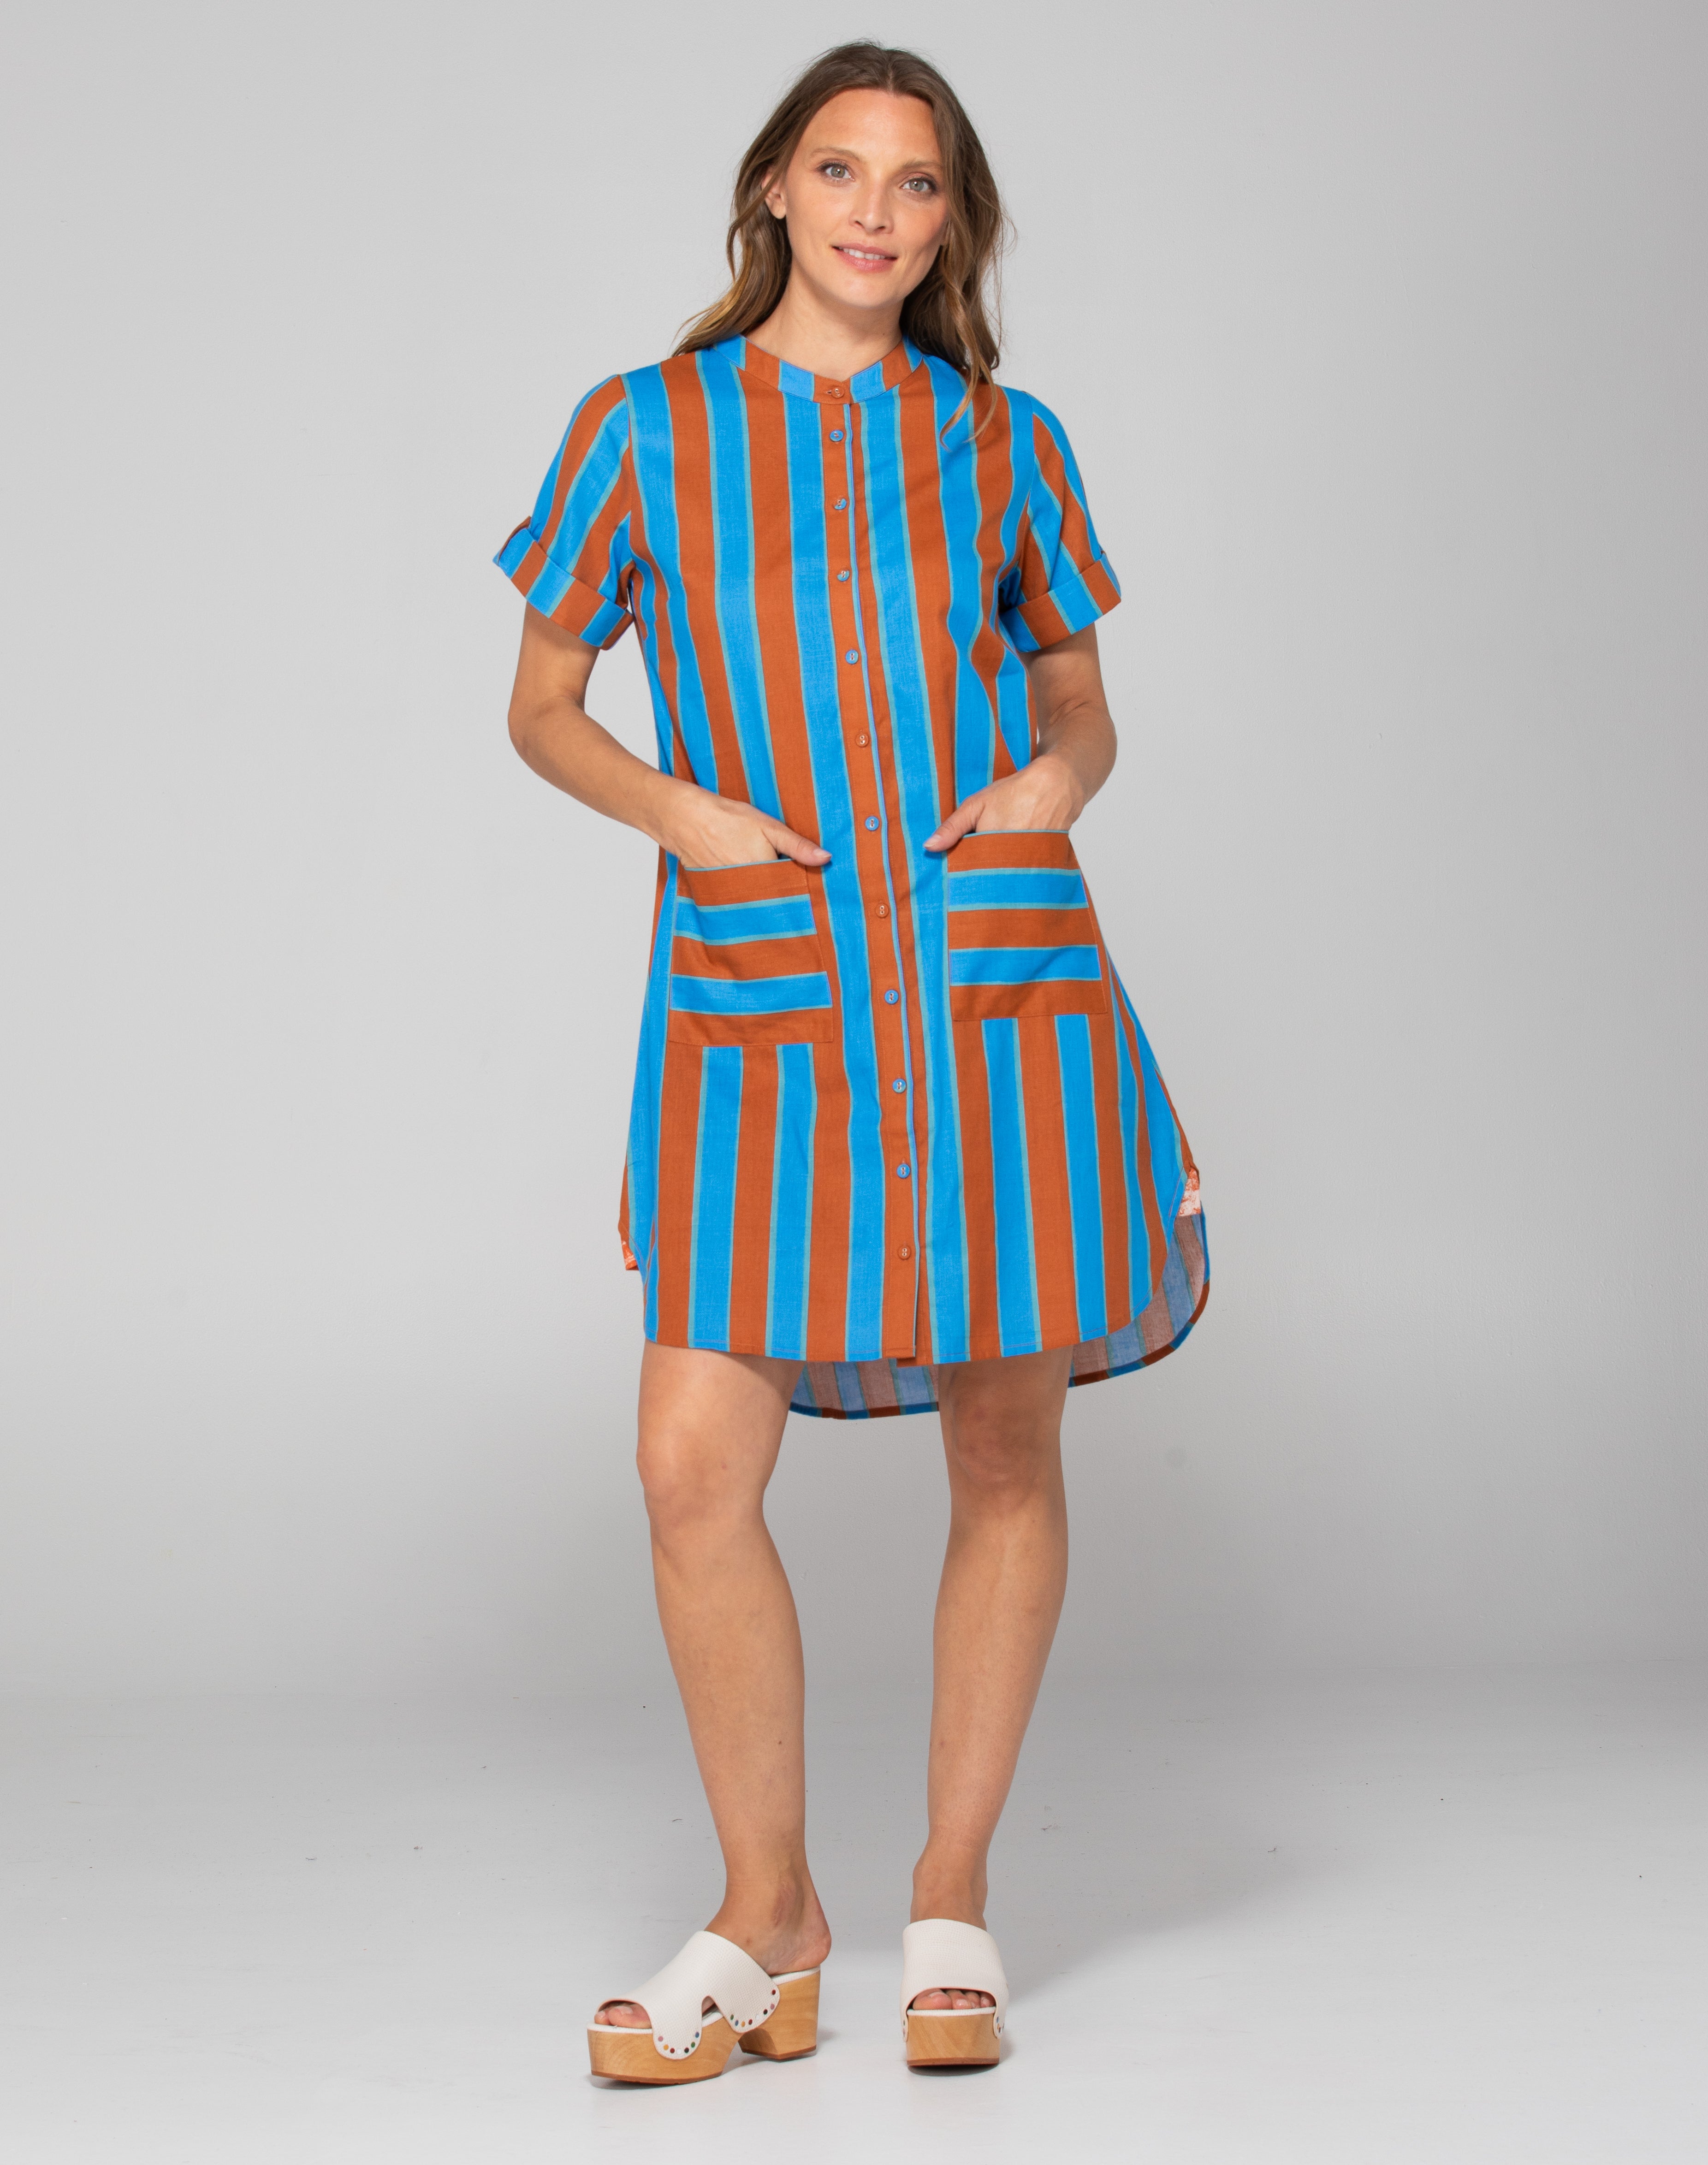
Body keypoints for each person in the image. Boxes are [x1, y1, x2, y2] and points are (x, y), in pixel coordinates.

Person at [498, 39, 1207, 2083]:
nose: (876, 213)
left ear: (952, 223)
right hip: (765, 989)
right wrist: (690, 818)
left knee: (1006, 1449)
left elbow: (1081, 701)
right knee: (690, 1464)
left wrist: (1053, 785)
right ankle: (768, 1916)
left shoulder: (1006, 440)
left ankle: (954, 1895)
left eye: (917, 184)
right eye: (840, 171)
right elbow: (543, 702)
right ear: (774, 191)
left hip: (998, 998)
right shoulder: (642, 429)